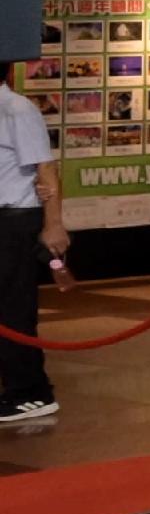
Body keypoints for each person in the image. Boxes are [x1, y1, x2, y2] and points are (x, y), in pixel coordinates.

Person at [0, 79, 64, 431]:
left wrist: (54, 224)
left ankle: (31, 392)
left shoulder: (17, 109)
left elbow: (45, 168)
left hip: (13, 219)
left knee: (13, 310)